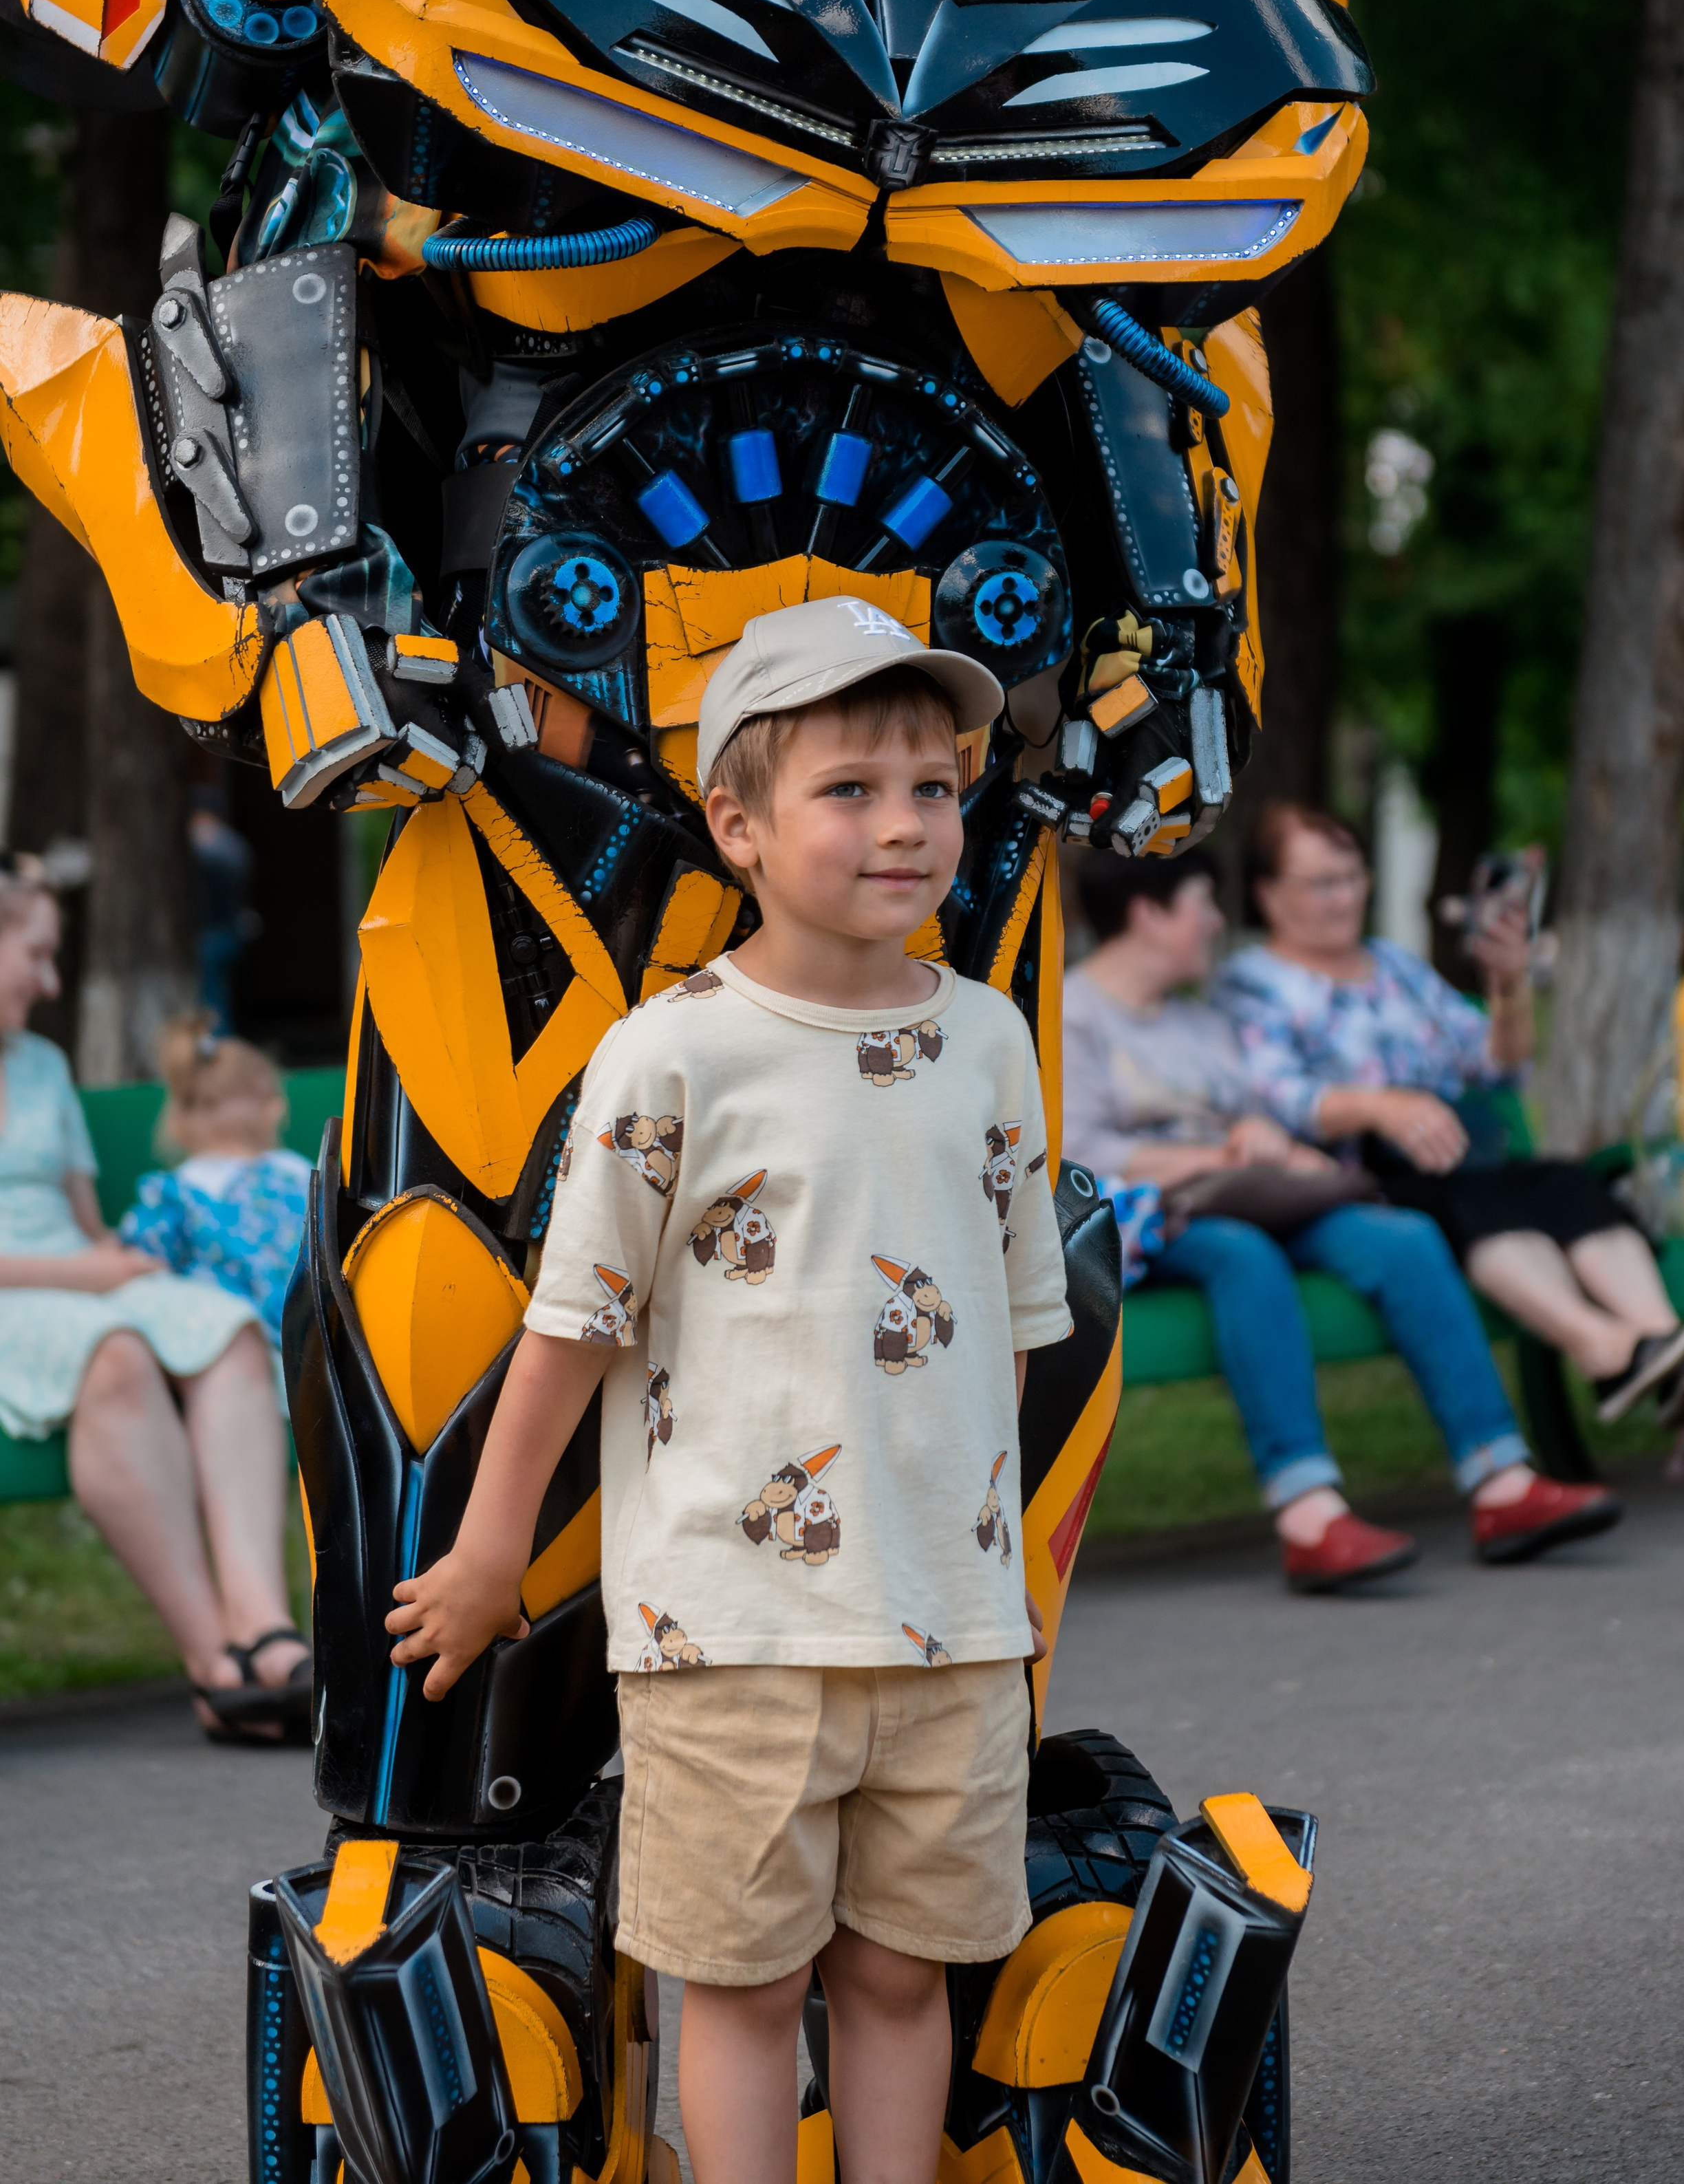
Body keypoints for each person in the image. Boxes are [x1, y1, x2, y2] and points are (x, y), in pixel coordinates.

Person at [385, 597, 1072, 2184]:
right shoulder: (673, 1049)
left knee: (904, 1971)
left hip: (950, 1625)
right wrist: (493, 1553)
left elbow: (1016, 1319)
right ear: (738, 823)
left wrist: (1003, 1553)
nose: (902, 824)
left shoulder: (984, 1039)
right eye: (850, 788)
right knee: (749, 1979)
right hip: (729, 1626)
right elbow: (571, 1326)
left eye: (932, 786)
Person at [1066, 847, 1619, 1584]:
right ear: (1147, 913)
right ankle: (1308, 1514)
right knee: (1244, 1256)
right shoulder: (1072, 1016)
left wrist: (1267, 1146)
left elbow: (1258, 1115)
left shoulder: (1196, 1021)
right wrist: (1220, 1154)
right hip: (1150, 1217)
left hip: (1251, 1195)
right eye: (1202, 903)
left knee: (1403, 1239)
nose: (1217, 923)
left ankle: (1501, 1484)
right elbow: (1080, 1151)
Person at [1213, 804, 1684, 1431]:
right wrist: (1381, 1107)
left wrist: (1509, 983)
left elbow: (1496, 1062)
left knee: (1565, 1183)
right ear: (1267, 891)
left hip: (1461, 1154)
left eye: (1354, 876)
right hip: (1354, 1179)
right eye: (1322, 882)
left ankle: (1661, 1349)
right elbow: (1277, 1093)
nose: (1344, 897)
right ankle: (1608, 1354)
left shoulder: (1394, 965)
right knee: (1472, 1205)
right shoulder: (1252, 981)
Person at [0, 870, 310, 1743]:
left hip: (76, 1273)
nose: (51, 981)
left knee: (226, 1326)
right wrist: (90, 1280)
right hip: (23, 1298)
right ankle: (214, 1661)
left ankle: (265, 1629)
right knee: (119, 1353)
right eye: (37, 955)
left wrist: (115, 1264)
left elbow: (88, 1227)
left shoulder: (43, 1063)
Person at [120, 1015, 312, 1353]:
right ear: (274, 1111)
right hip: (316, 1336)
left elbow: (142, 1257)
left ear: (178, 1124)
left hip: (229, 1344)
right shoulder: (300, 1174)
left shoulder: (177, 1193)